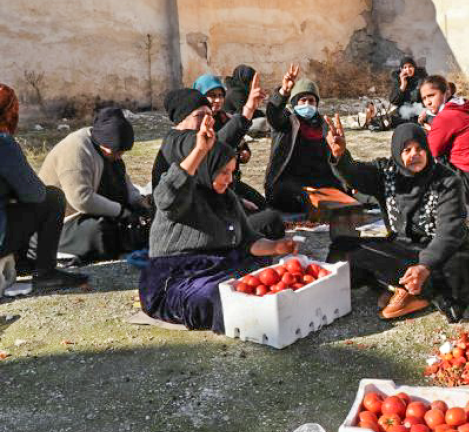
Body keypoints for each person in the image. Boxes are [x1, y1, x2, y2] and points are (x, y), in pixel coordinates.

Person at [139, 114, 297, 332]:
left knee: (263, 268)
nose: (230, 179)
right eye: (223, 172)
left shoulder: (227, 198)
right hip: (176, 276)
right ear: (206, 168)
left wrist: (276, 246)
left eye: (231, 172)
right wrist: (199, 151)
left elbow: (247, 239)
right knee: (217, 297)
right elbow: (166, 195)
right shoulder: (182, 196)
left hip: (216, 264)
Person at [324, 117, 469, 323]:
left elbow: (449, 232)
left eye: (419, 148)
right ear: (397, 153)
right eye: (407, 150)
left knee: (459, 269)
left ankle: (413, 290)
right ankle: (410, 288)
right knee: (343, 249)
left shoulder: (448, 181)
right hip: (402, 248)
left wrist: (425, 267)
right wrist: (341, 156)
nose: (414, 154)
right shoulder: (385, 173)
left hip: (442, 252)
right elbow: (356, 174)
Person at [153, 86, 282, 238]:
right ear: (182, 118)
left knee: (268, 214)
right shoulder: (178, 140)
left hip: (207, 200)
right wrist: (248, 109)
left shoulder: (192, 136)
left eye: (209, 115)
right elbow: (215, 145)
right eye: (199, 115)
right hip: (185, 223)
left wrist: (236, 200)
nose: (206, 120)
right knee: (265, 227)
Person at [0, 83, 88, 290]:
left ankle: (22, 263)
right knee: (52, 198)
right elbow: (35, 194)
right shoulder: (3, 144)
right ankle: (45, 272)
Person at [38, 107, 151, 262]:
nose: (119, 156)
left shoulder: (110, 151)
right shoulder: (75, 150)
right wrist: (121, 212)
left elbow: (124, 182)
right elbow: (81, 199)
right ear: (102, 143)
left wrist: (138, 201)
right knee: (100, 232)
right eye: (116, 152)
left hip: (99, 212)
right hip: (64, 221)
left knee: (140, 220)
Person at [264, 64, 349, 213]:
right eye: (303, 101)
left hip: (319, 180)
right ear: (295, 103)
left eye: (311, 101)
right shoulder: (286, 123)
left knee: (345, 197)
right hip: (289, 180)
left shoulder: (324, 126)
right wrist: (283, 92)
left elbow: (335, 160)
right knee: (300, 199)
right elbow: (273, 114)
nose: (308, 104)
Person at [419, 75, 469, 206]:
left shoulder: (446, 116)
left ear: (446, 93)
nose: (428, 102)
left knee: (421, 158)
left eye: (431, 95)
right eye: (424, 98)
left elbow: (430, 152)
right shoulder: (462, 108)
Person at [381, 56, 428, 127]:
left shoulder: (422, 79)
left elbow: (427, 99)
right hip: (403, 113)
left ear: (414, 67)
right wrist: (403, 85)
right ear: (401, 69)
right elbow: (393, 101)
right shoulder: (398, 80)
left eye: (410, 66)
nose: (408, 69)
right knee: (385, 119)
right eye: (405, 67)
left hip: (419, 113)